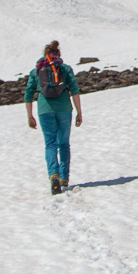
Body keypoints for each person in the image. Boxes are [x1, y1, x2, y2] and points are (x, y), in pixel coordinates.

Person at [24, 40, 83, 195]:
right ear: (58, 54)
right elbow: (74, 91)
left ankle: (53, 174)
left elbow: (28, 94)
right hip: (64, 108)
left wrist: (29, 116)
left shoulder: (36, 71)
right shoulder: (65, 69)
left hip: (44, 110)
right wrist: (79, 112)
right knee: (64, 143)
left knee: (50, 144)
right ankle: (64, 177)